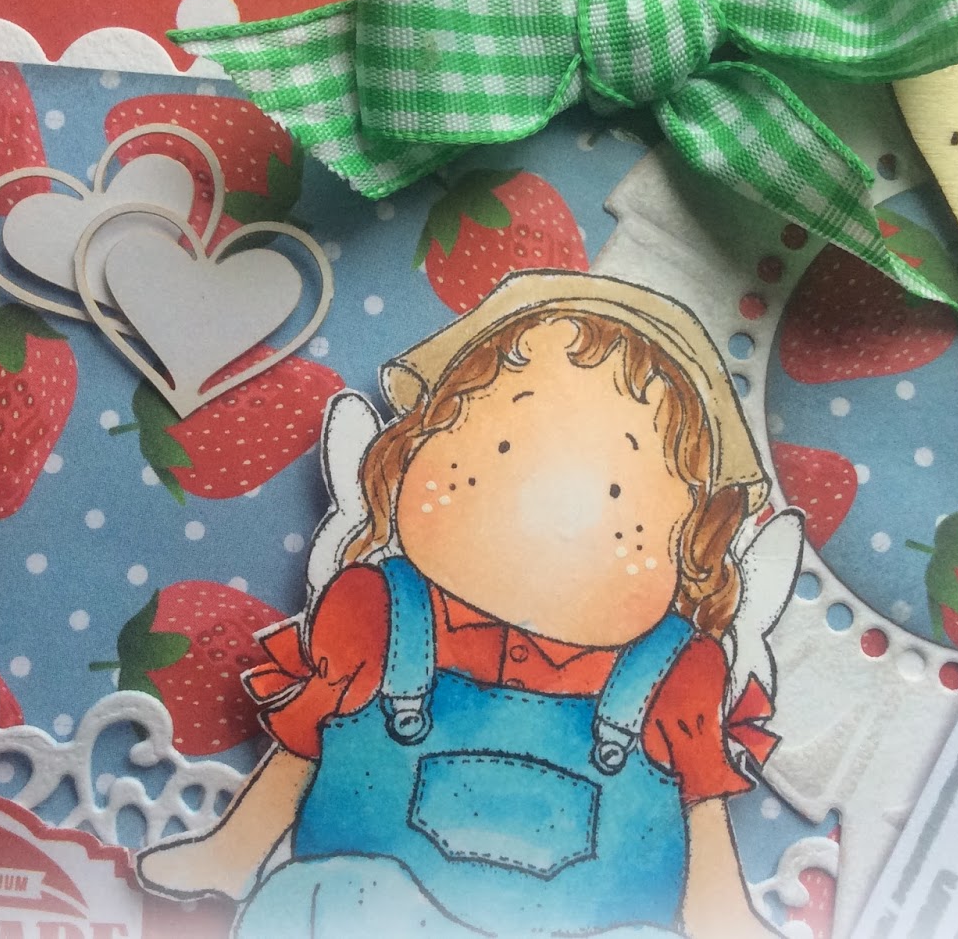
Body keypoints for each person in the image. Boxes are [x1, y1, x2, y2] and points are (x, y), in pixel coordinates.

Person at [140, 270, 782, 937]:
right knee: (333, 892)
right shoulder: (376, 614)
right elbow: (304, 741)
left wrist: (726, 921)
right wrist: (232, 853)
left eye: (616, 489)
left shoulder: (677, 672)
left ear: (697, 539)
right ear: (416, 446)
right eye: (504, 446)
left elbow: (702, 806)